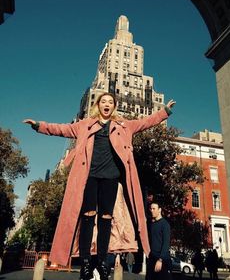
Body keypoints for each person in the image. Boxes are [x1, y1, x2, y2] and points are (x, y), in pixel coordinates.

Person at [23, 92, 175, 280]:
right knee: (87, 217)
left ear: (114, 106)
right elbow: (62, 129)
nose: (107, 104)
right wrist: (39, 126)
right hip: (89, 177)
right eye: (103, 101)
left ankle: (103, 261)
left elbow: (146, 122)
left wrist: (164, 112)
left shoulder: (124, 126)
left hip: (111, 178)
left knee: (105, 219)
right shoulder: (85, 125)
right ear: (98, 105)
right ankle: (86, 262)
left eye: (110, 102)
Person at [146, 200, 172, 280]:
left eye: (154, 209)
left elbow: (166, 244)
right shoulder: (151, 224)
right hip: (152, 258)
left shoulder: (165, 225)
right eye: (151, 209)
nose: (152, 211)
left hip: (162, 260)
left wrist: (160, 260)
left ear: (159, 210)